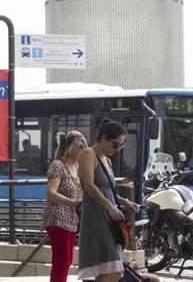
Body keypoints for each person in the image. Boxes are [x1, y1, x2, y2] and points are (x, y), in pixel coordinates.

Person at [77, 118, 139, 282]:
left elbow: (106, 190)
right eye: (115, 144)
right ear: (103, 138)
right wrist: (110, 207)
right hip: (97, 218)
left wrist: (125, 202)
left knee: (111, 270)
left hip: (109, 219)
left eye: (120, 146)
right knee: (113, 269)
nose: (117, 149)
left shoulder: (107, 160)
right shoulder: (89, 154)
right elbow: (89, 185)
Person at [41, 131, 87, 282]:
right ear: (70, 148)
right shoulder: (58, 165)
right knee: (62, 260)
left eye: (85, 146)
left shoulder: (79, 167)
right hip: (57, 217)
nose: (83, 149)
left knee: (67, 261)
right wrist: (73, 203)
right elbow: (51, 193)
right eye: (81, 146)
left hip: (71, 219)